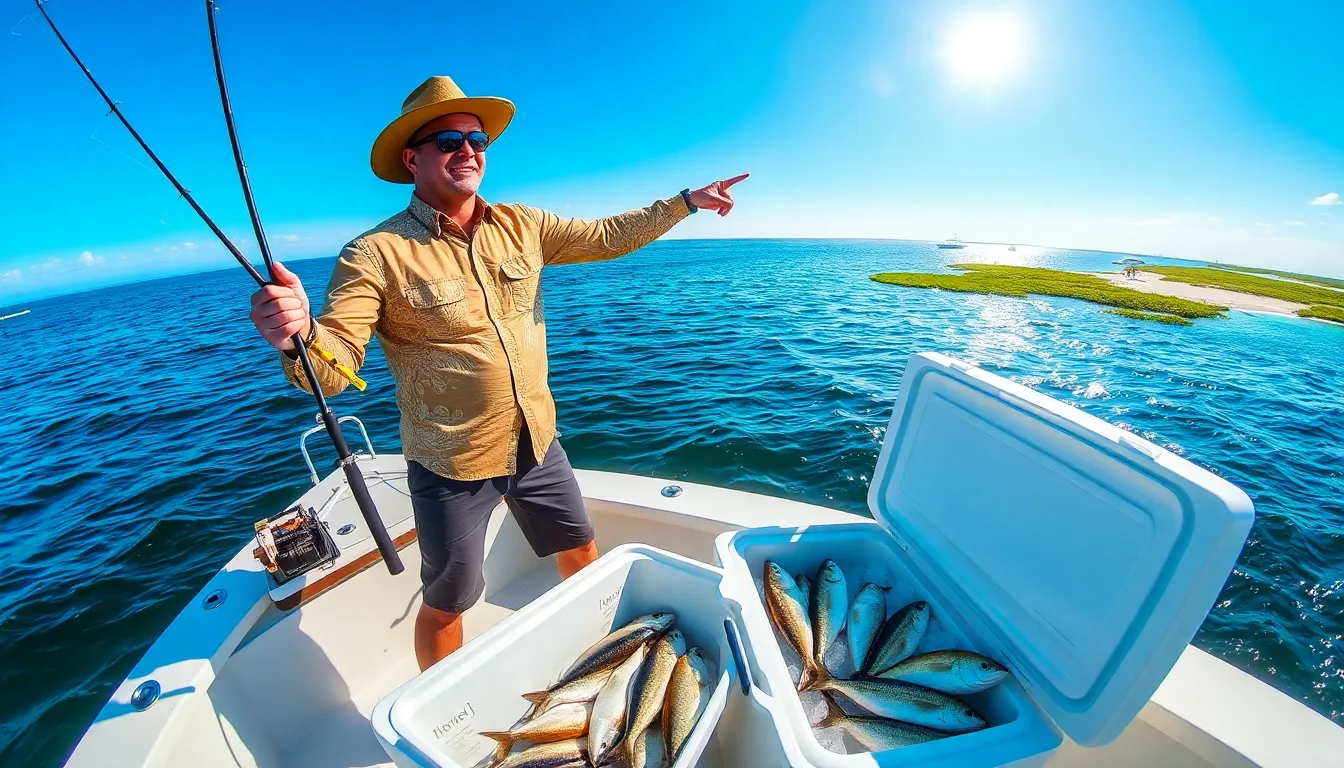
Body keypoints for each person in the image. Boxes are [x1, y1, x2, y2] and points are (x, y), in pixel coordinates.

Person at [248, 76, 747, 670]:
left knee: (581, 547)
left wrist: (686, 201)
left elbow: (608, 236)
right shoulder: (373, 253)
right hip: (450, 462)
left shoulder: (522, 225)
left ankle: (595, 668)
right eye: (448, 140)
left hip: (536, 439)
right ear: (412, 159)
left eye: (477, 140)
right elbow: (332, 369)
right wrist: (299, 336)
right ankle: (443, 701)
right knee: (450, 602)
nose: (468, 151)